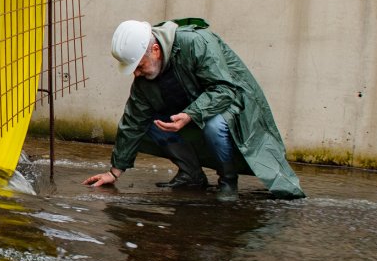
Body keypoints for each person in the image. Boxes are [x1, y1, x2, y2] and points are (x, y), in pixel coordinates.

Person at [82, 18, 304, 201]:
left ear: (156, 50)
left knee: (213, 123)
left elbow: (224, 89)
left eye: (139, 66)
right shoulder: (145, 79)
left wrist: (191, 115)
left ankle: (228, 181)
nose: (136, 74)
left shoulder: (197, 43)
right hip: (190, 112)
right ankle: (191, 174)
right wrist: (114, 172)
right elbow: (133, 122)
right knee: (147, 122)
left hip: (232, 108)